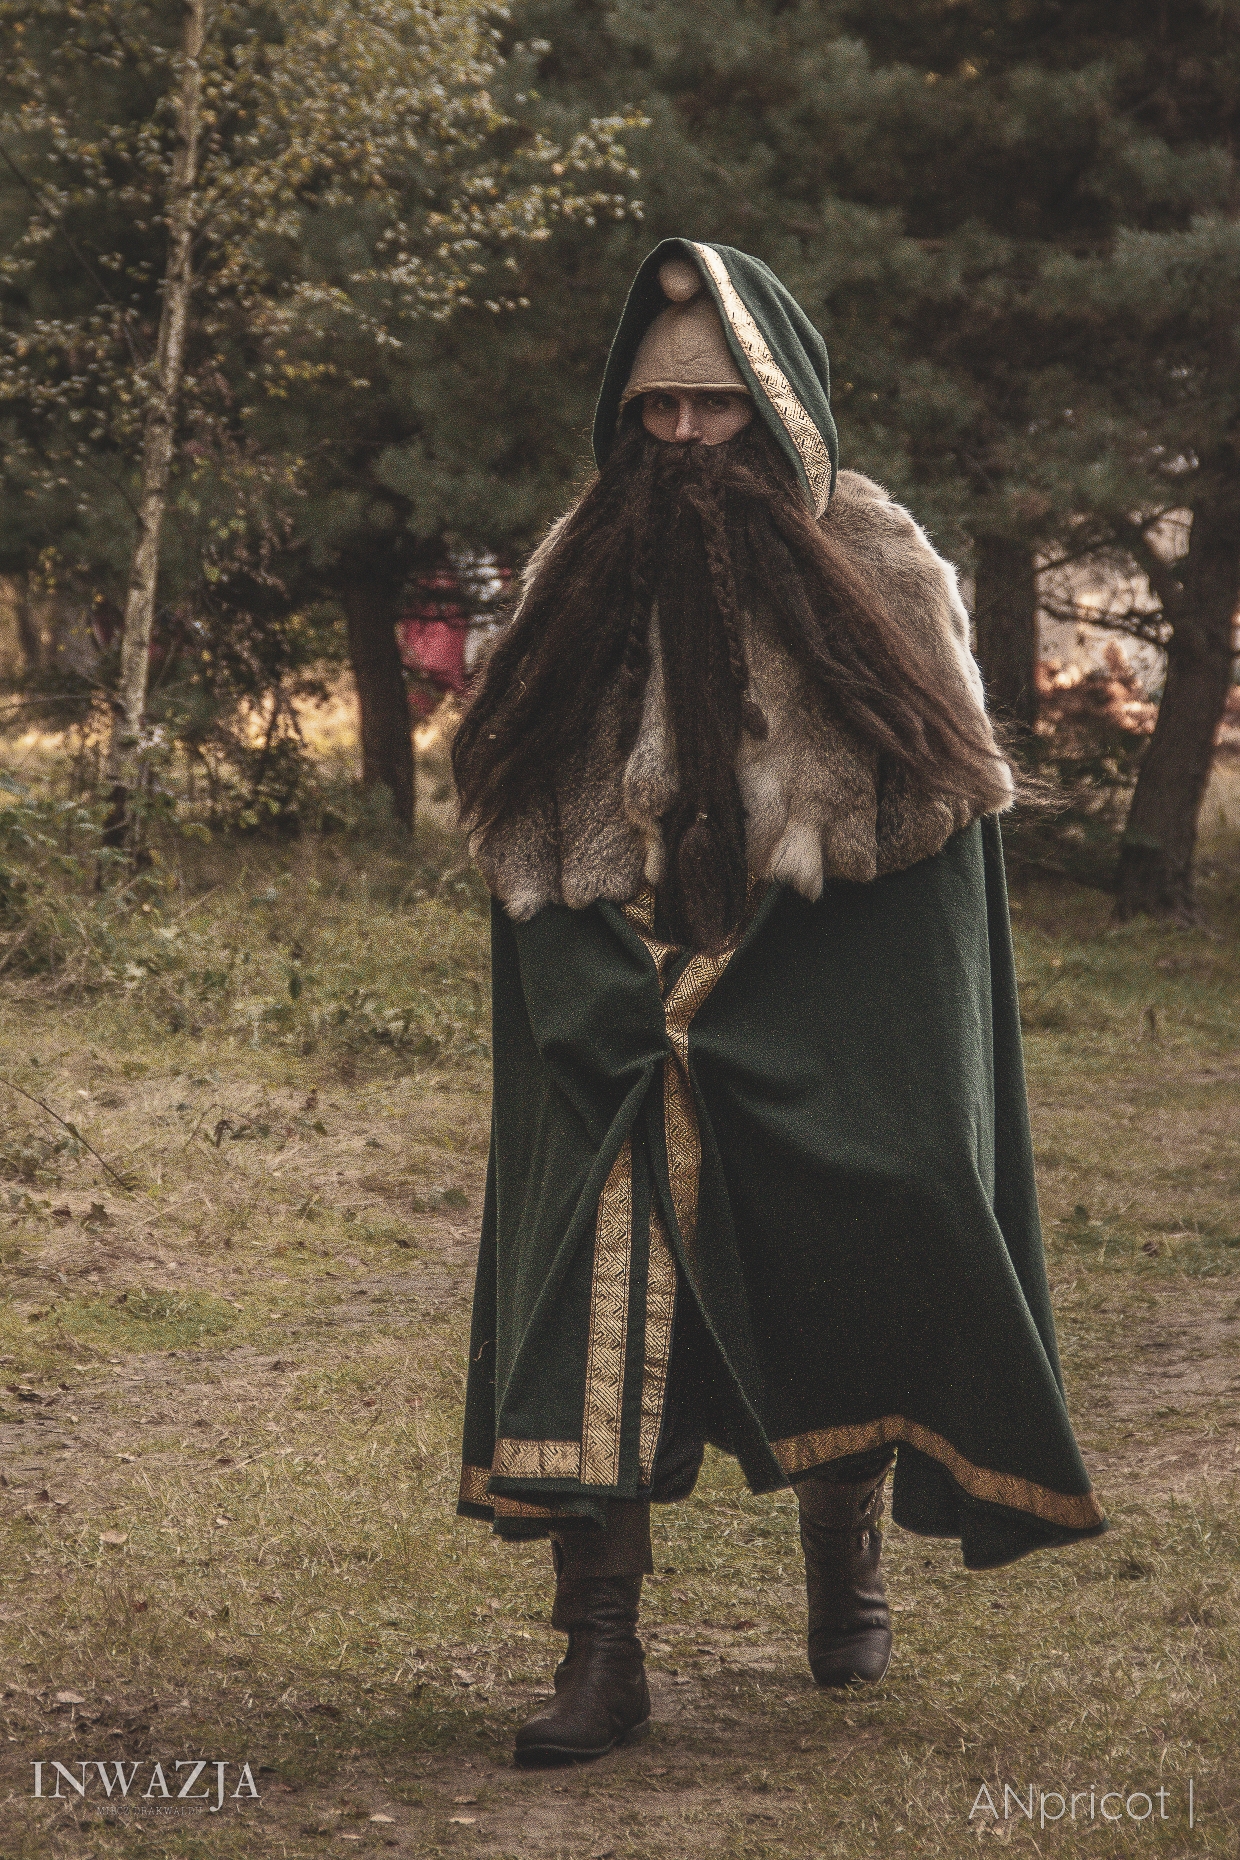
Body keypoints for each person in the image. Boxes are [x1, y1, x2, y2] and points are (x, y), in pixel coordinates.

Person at [451, 240, 1105, 1767]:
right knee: (590, 1270)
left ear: (780, 404)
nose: (686, 438)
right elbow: (519, 818)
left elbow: (941, 837)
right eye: (660, 408)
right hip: (623, 997)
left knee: (873, 1212)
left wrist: (798, 995)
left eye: (717, 406)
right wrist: (604, 984)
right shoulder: (577, 570)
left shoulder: (883, 570)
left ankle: (843, 1540)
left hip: (813, 986)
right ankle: (602, 1653)